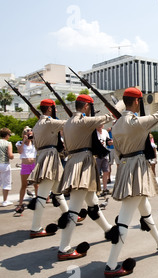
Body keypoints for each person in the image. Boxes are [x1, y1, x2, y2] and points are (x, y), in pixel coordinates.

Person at [104, 86, 158, 278]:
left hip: (124, 167)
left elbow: (117, 152)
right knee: (124, 218)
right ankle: (111, 265)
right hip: (137, 170)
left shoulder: (116, 125)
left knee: (145, 209)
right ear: (137, 102)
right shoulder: (136, 122)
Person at [55, 94, 114, 260]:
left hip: (74, 162)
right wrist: (119, 105)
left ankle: (108, 230)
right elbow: (109, 117)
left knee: (92, 204)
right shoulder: (84, 121)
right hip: (83, 165)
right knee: (74, 208)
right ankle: (64, 248)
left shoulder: (66, 123)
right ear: (87, 106)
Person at [27, 99, 68, 238]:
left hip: (45, 156)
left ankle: (68, 216)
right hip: (50, 158)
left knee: (58, 191)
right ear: (50, 109)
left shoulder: (38, 124)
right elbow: (69, 124)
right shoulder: (49, 122)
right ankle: (35, 227)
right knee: (42, 196)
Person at [15, 126, 37, 216]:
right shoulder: (20, 143)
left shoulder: (34, 143)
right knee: (24, 185)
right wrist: (24, 141)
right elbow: (20, 152)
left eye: (30, 133)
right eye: (27, 134)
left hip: (34, 164)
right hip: (25, 165)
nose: (29, 135)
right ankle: (20, 203)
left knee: (37, 185)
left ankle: (38, 201)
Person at [96, 124, 113, 196]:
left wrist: (109, 142)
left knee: (106, 171)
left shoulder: (105, 132)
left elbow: (107, 140)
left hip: (105, 154)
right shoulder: (94, 132)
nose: (100, 126)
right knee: (96, 173)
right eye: (98, 125)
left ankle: (105, 188)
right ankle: (97, 189)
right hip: (97, 155)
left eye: (101, 124)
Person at [0, 128, 14, 207]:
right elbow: (10, 155)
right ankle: (5, 201)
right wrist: (11, 157)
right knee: (6, 183)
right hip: (4, 164)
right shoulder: (8, 143)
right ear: (7, 135)